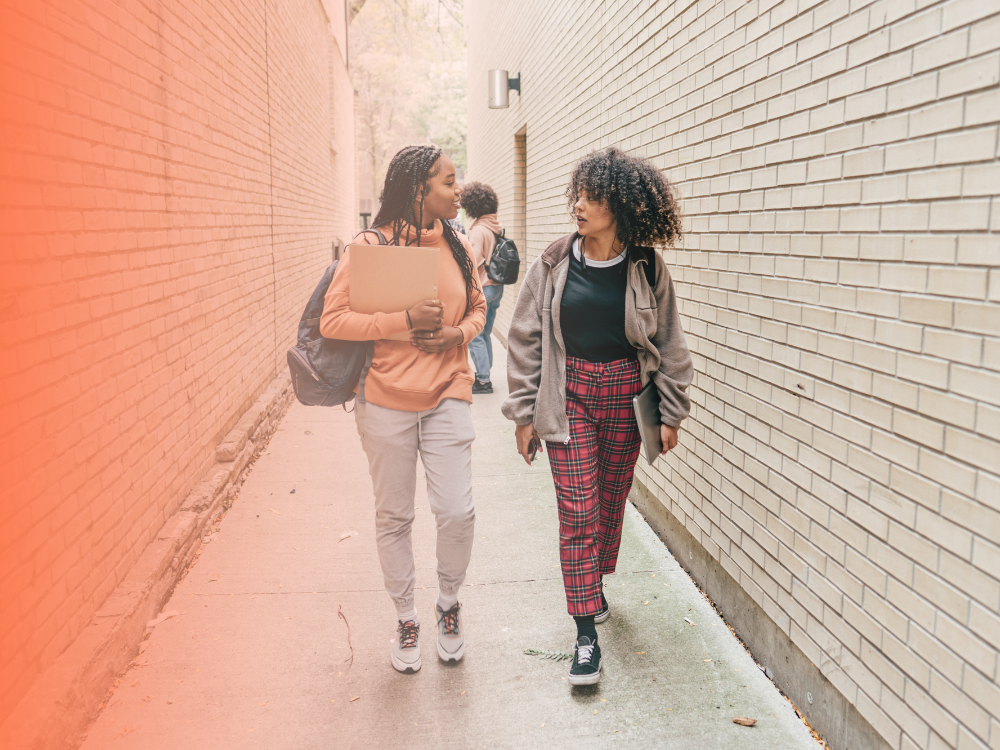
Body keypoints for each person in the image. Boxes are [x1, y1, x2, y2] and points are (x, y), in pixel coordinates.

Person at [501, 147, 693, 686]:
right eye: (578, 195)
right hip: (569, 397)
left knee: (609, 502)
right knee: (578, 512)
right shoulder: (554, 262)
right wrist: (523, 413)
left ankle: (594, 581)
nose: (579, 206)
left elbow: (670, 343)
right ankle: (585, 634)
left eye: (593, 198)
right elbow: (525, 338)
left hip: (627, 399)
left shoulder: (647, 266)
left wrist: (671, 413)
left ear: (622, 206)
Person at [321, 145, 486, 674]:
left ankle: (448, 603)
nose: (458, 190)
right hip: (385, 399)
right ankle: (406, 616)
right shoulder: (369, 246)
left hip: (448, 392)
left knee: (457, 511)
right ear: (419, 189)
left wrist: (457, 334)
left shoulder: (458, 243)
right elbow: (332, 321)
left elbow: (479, 309)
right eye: (448, 182)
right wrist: (403, 320)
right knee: (395, 515)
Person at [462, 182, 504, 394]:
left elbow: (472, 260)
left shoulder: (479, 229)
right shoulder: (496, 226)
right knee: (485, 333)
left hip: (484, 286)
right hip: (496, 288)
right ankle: (485, 373)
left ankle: (483, 380)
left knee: (475, 335)